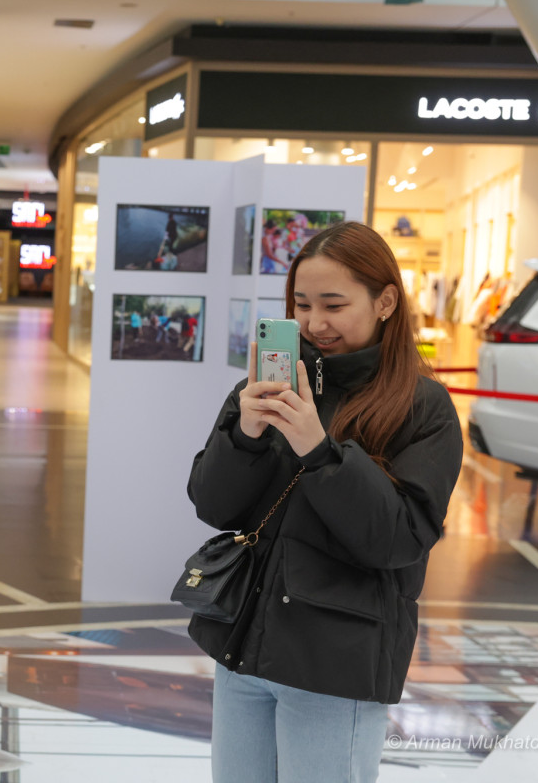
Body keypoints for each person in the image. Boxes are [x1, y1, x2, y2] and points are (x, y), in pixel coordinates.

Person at [186, 222, 463, 783]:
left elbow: (398, 538)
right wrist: (244, 433)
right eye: (302, 303)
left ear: (386, 301)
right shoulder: (268, 385)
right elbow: (212, 505)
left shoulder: (423, 408)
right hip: (244, 647)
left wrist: (319, 450)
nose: (314, 323)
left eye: (334, 305)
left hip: (336, 666)